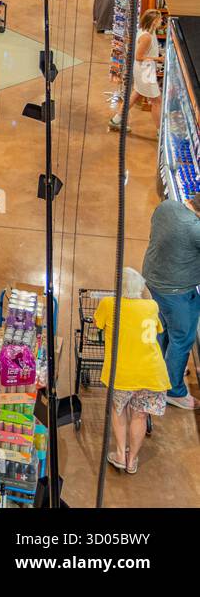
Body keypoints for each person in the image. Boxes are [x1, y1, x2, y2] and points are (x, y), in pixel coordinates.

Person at [94, 268, 171, 474]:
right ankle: (131, 460)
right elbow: (157, 330)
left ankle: (120, 454)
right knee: (140, 415)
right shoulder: (151, 306)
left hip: (122, 374)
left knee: (119, 411)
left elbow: (97, 323)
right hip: (152, 373)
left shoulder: (109, 304)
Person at [140, 192, 200, 410]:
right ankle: (173, 390)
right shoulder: (195, 229)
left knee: (163, 328)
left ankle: (164, 368)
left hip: (153, 279)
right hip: (177, 292)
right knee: (182, 339)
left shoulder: (167, 206)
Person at [110, 9, 163, 134]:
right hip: (146, 71)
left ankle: (116, 120)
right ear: (154, 22)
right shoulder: (146, 37)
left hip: (144, 70)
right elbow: (139, 57)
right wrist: (158, 58)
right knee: (157, 101)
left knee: (135, 95)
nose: (161, 21)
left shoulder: (146, 31)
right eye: (160, 19)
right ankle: (160, 132)